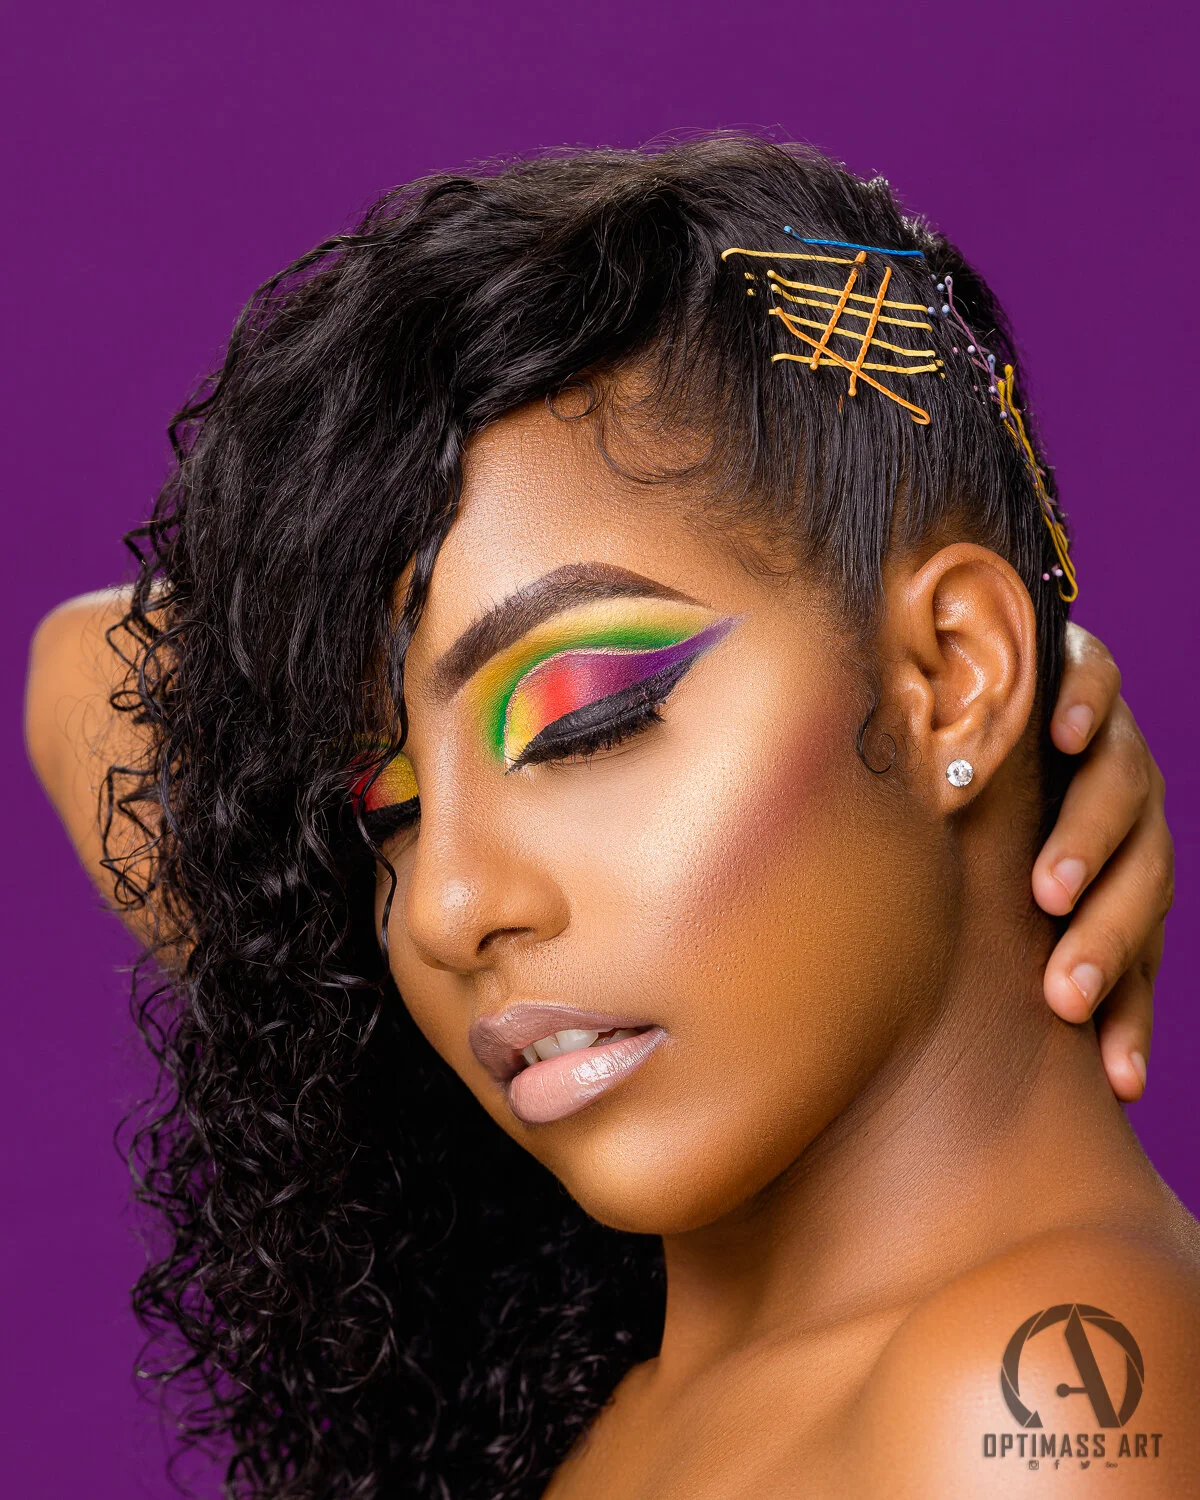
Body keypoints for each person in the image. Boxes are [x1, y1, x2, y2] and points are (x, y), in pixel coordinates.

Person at [25, 136, 1192, 1498]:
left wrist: (1012, 691)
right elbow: (77, 680)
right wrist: (1008, 690)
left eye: (585, 720)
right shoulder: (659, 1342)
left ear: (953, 671)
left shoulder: (1030, 1403)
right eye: (386, 810)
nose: (446, 906)